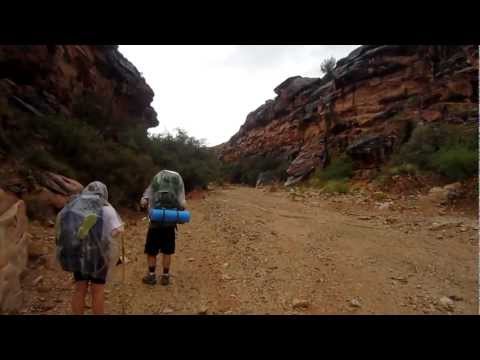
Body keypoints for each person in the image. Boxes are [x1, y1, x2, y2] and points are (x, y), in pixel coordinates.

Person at [55, 181, 124, 315]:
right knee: (97, 291)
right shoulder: (107, 209)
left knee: (79, 290)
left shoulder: (72, 206)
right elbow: (117, 231)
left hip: (77, 253)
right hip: (99, 256)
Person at [140, 170, 186, 286]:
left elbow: (145, 200)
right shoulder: (176, 184)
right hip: (170, 224)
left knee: (151, 251)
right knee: (167, 251)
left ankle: (151, 276)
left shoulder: (155, 182)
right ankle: (165, 276)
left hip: (155, 223)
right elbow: (182, 205)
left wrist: (145, 202)